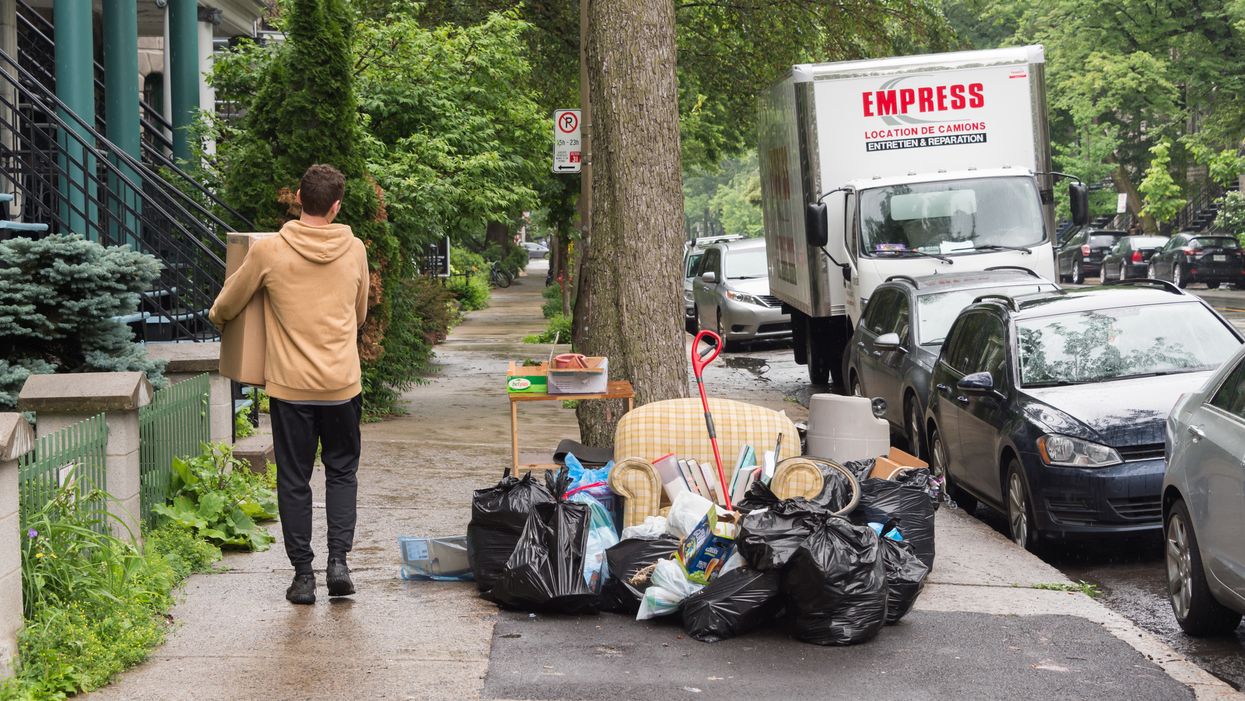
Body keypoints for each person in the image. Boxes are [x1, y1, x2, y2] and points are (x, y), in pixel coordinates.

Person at [209, 164, 369, 605]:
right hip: (341, 386)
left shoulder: (270, 251)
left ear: (298, 196)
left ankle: (303, 576)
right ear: (336, 206)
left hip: (290, 389)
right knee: (341, 472)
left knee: (294, 480)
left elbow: (227, 302)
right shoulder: (354, 250)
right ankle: (339, 563)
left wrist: (218, 318)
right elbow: (359, 316)